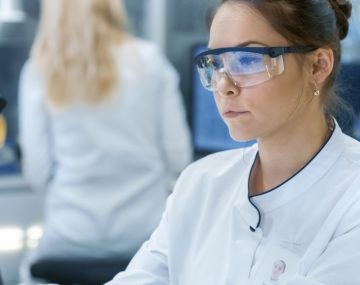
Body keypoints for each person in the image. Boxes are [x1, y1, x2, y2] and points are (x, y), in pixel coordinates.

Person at [106, 0, 360, 284]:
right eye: (215, 63)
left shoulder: (352, 198)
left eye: (248, 59)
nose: (224, 85)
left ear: (317, 66)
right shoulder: (200, 184)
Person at [18, 0, 192, 282]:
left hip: (69, 237)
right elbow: (178, 157)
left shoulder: (41, 69)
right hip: (143, 234)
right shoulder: (150, 60)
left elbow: (37, 173)